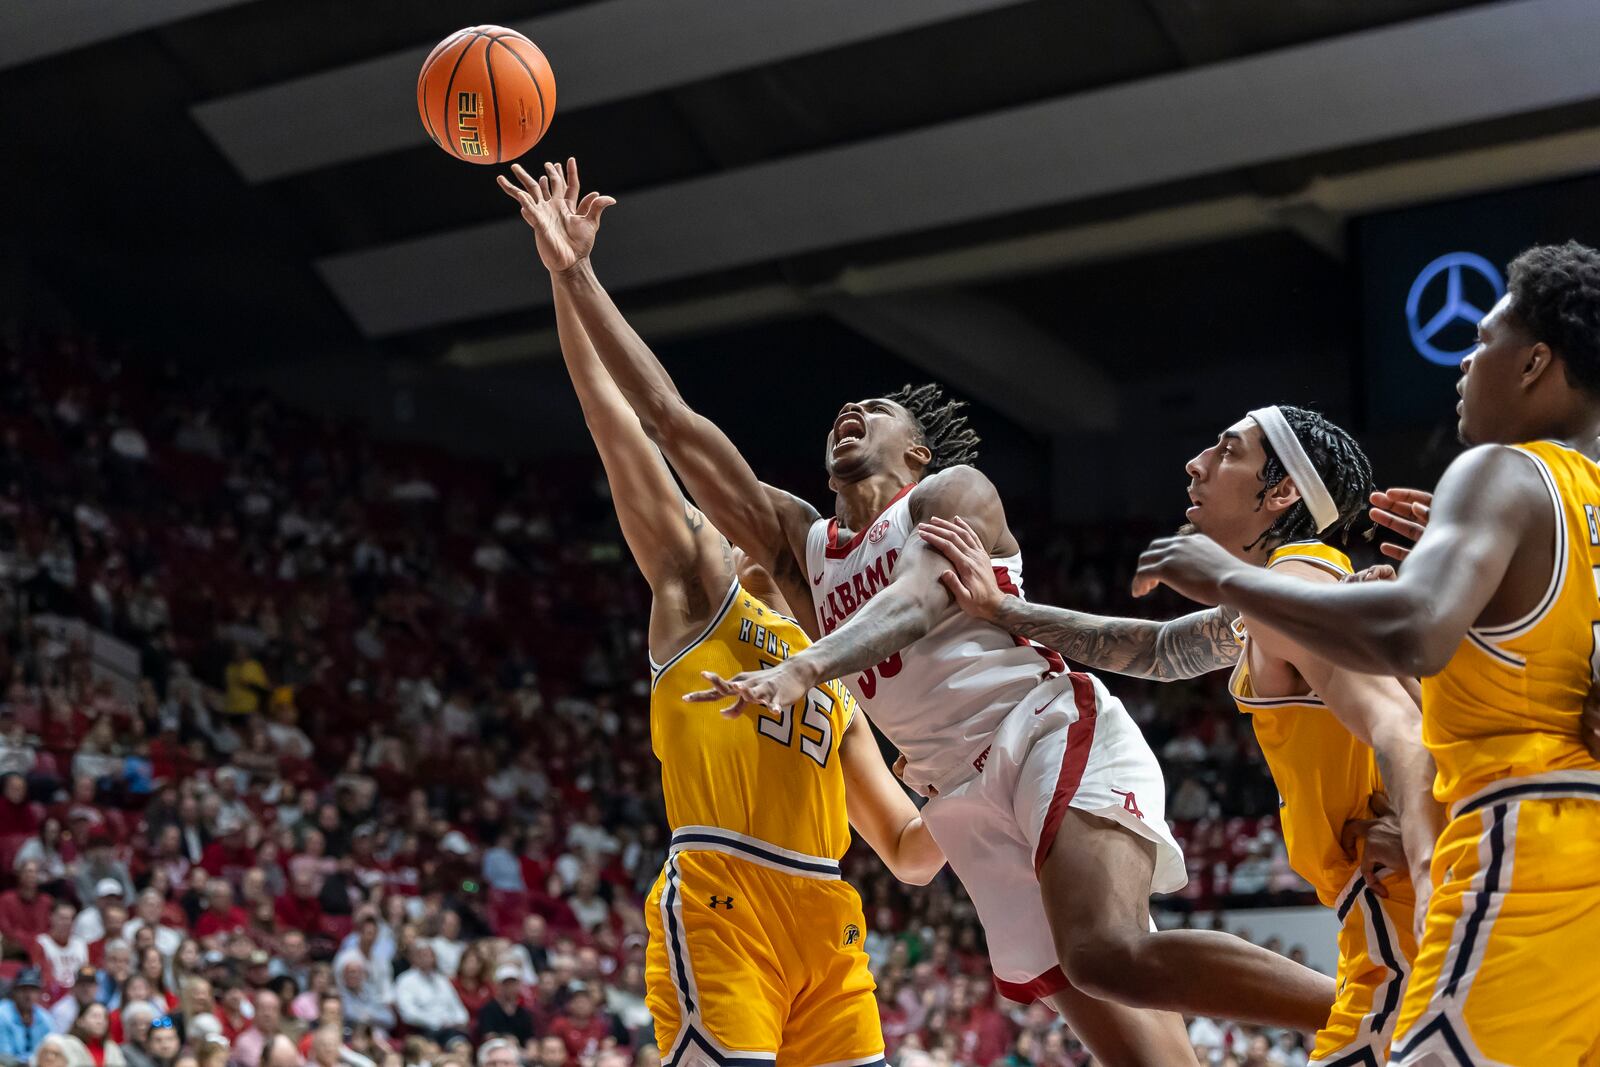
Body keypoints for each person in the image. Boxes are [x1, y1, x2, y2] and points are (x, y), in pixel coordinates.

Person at [503, 157, 1333, 1065]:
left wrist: (805, 667)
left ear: (918, 453)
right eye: (843, 411)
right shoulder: (798, 546)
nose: (851, 410)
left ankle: (1366, 1011)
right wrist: (576, 272)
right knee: (1132, 1034)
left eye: (880, 410)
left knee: (1107, 951)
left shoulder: (954, 495)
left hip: (1041, 726)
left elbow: (916, 602)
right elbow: (665, 417)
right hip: (960, 791)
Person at [499, 159, 945, 1067]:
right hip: (722, 892)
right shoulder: (700, 585)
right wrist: (566, 277)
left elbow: (907, 849)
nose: (736, 522)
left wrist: (974, 780)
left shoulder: (840, 658)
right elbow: (620, 424)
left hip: (829, 921)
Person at [1132, 241, 1600, 1065]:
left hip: (1522, 849)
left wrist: (1224, 579)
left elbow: (1410, 629)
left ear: (1534, 362)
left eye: (1484, 337)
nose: (1463, 357)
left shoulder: (1500, 472)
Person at [919, 405, 1443, 1065]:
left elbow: (1399, 728)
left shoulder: (1296, 583)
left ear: (1281, 493)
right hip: (1383, 932)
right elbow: (1162, 650)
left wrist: (1430, 858)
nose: (1197, 463)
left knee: (1102, 957)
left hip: (1403, 931)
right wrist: (1005, 609)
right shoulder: (1284, 597)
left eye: (1228, 451)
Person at [391, 945, 466, 1046]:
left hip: (450, 1027)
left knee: (463, 1039)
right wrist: (437, 1022)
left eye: (430, 956)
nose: (427, 959)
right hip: (422, 1030)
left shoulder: (442, 980)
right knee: (454, 1041)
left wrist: (460, 1020)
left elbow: (457, 1006)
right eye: (423, 955)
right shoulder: (405, 980)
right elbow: (408, 1013)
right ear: (415, 958)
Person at [0, 969, 57, 1060]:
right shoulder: (2, 1014)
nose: (28, 995)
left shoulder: (46, 1018)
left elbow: (52, 1050)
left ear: (39, 993)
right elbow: (4, 1056)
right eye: (23, 990)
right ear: (14, 991)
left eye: (33, 990)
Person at [0, 862, 55, 950]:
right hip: (15, 950)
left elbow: (51, 929)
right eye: (28, 871)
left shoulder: (47, 901)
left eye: (35, 872)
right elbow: (5, 929)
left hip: (42, 949)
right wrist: (29, 942)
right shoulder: (5, 899)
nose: (32, 875)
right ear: (19, 875)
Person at [35, 903, 90, 990]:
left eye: (70, 919)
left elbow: (86, 972)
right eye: (62, 918)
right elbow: (44, 977)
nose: (67, 923)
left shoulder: (80, 944)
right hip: (53, 993)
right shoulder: (42, 943)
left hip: (78, 993)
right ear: (51, 917)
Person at [473, 966, 532, 1045]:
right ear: (499, 986)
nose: (510, 988)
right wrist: (504, 1039)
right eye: (506, 984)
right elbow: (488, 1035)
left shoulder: (523, 1012)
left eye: (513, 984)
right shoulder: (488, 1009)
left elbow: (530, 1037)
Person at [60, 1003, 126, 1067]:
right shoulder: (68, 1044)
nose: (100, 1021)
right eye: (95, 1016)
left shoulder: (112, 1048)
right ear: (80, 1021)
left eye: (104, 1017)